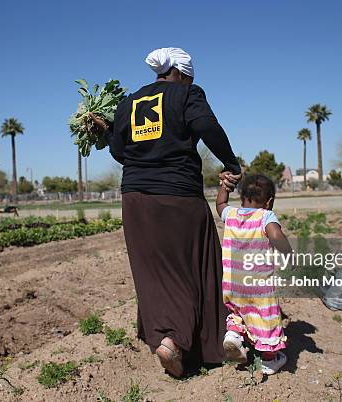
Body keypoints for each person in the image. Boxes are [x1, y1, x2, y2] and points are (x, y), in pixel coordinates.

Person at [92, 47, 242, 377]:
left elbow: (119, 151)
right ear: (183, 73)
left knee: (154, 272)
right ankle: (177, 341)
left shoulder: (128, 102)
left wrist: (109, 132)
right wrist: (231, 163)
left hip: (135, 199)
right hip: (178, 196)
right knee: (194, 264)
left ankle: (164, 336)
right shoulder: (188, 93)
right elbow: (208, 127)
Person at [216, 174, 293, 375]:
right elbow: (276, 235)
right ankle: (269, 360)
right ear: (269, 201)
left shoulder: (231, 213)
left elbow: (220, 203)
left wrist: (224, 186)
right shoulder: (265, 216)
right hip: (259, 285)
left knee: (238, 311)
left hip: (233, 283)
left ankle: (233, 335)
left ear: (241, 197)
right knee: (266, 317)